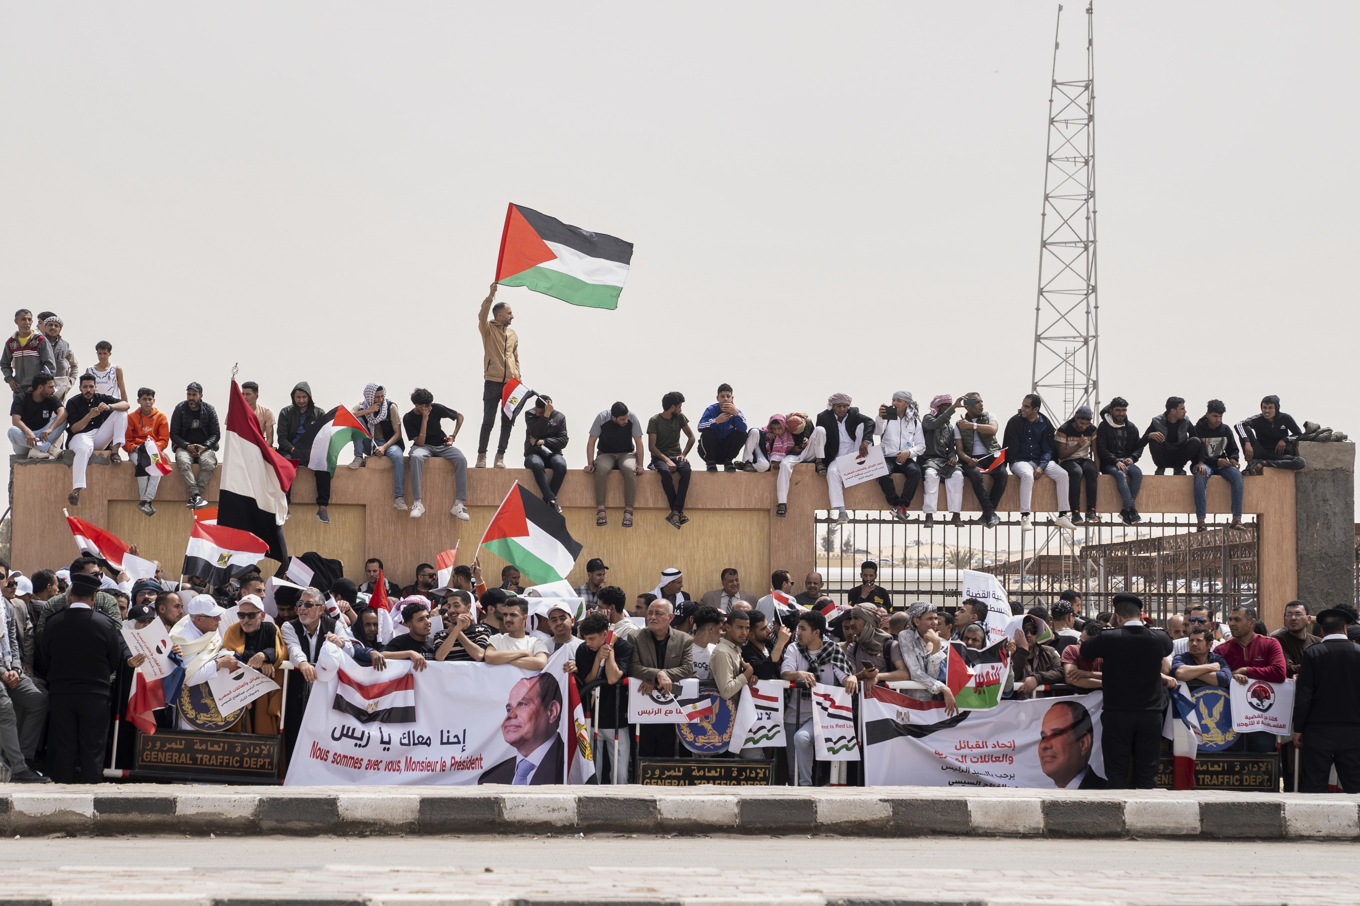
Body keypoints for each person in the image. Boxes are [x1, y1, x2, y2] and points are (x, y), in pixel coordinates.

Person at [1078, 593, 1173, 789]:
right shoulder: (1159, 637)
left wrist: (1108, 627)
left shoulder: (1108, 637)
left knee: (1117, 772)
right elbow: (1167, 648)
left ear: (1117, 616)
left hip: (1118, 714)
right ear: (1140, 615)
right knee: (1148, 773)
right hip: (1150, 715)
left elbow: (1085, 651)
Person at [37, 571, 121, 783]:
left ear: (70, 593)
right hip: (96, 694)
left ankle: (61, 796)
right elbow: (115, 658)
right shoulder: (106, 624)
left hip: (61, 693)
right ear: (94, 597)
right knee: (93, 747)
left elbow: (44, 655)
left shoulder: (53, 622)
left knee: (63, 746)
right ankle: (90, 789)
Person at [780, 610, 857, 786]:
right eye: (798, 628)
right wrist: (798, 673)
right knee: (794, 771)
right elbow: (785, 673)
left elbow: (843, 675)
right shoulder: (793, 648)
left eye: (802, 629)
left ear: (816, 632)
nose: (797, 633)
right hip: (793, 715)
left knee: (802, 739)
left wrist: (851, 678)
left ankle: (806, 789)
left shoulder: (833, 650)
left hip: (823, 716)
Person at [1292, 608, 1360, 793]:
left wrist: (1298, 728)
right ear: (1345, 628)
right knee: (1354, 784)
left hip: (1318, 731)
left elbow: (1304, 695)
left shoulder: (1313, 654)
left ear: (1322, 631)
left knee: (1315, 783)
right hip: (1354, 730)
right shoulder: (1358, 652)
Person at [1214, 604, 1286, 754]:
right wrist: (1232, 675)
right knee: (1232, 764)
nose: (1232, 624)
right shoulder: (1220, 650)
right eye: (1230, 619)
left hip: (1261, 719)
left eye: (1237, 620)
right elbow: (1216, 678)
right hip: (1230, 719)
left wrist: (1246, 671)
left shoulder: (1270, 644)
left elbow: (1279, 673)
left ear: (1252, 623)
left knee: (1262, 762)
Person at [629, 597, 696, 757]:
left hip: (672, 711)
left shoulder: (684, 639)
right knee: (644, 755)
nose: (652, 617)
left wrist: (659, 676)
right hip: (644, 709)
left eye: (658, 614)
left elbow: (687, 669)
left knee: (667, 755)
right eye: (650, 613)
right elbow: (633, 667)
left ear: (670, 617)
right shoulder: (635, 637)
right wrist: (658, 674)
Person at [574, 611, 633, 783]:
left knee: (620, 775)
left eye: (592, 638)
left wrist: (609, 651)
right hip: (591, 720)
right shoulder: (583, 649)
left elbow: (614, 677)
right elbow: (587, 681)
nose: (588, 642)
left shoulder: (624, 647)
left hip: (617, 720)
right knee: (594, 774)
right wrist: (597, 659)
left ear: (605, 634)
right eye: (585, 638)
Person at [1003, 393, 1075, 532]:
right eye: (1022, 405)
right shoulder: (1015, 421)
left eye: (1026, 406)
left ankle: (1063, 515)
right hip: (1020, 461)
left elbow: (1048, 449)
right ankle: (1025, 516)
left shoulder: (1045, 423)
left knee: (1063, 475)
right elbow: (1008, 446)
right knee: (1027, 475)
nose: (1022, 409)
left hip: (1041, 461)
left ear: (1035, 409)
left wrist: (1041, 467)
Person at [0, 576, 48, 782]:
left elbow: (12, 641)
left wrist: (17, 669)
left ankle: (21, 758)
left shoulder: (7, 607)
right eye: (4, 579)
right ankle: (18, 768)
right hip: (2, 671)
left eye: (12, 581)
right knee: (6, 710)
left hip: (10, 669)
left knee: (38, 700)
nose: (12, 585)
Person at [478, 674, 563, 785]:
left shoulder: (570, 768)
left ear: (551, 711)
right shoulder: (490, 779)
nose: (511, 715)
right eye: (509, 709)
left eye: (522, 704)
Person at [62, 373, 131, 506]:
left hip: (99, 436)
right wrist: (89, 416)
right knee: (84, 449)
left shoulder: (101, 398)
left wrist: (109, 407)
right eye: (85, 387)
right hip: (80, 436)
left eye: (91, 387)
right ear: (80, 388)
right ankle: (76, 490)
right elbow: (75, 428)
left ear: (95, 387)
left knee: (121, 412)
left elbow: (126, 405)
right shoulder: (73, 402)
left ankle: (115, 450)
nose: (88, 390)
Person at [221, 594, 285, 734]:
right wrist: (262, 662)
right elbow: (232, 655)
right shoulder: (233, 630)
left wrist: (264, 656)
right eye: (241, 615)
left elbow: (279, 651)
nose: (245, 620)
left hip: (264, 693)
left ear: (262, 615)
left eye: (251, 615)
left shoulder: (270, 629)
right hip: (238, 690)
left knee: (263, 728)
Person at [403, 388, 470, 521]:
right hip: (423, 447)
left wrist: (453, 436)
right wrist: (424, 419)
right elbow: (421, 443)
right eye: (426, 406)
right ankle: (418, 503)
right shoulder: (408, 418)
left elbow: (459, 416)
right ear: (417, 406)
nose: (430, 408)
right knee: (416, 457)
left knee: (461, 458)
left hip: (441, 445)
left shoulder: (436, 408)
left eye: (430, 404)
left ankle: (458, 504)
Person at [275, 382, 333, 525]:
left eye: (304, 397)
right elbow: (281, 439)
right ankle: (285, 506)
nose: (301, 400)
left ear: (309, 397)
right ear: (293, 398)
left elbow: (323, 436)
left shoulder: (319, 413)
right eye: (298, 397)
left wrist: (311, 451)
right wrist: (293, 449)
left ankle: (322, 508)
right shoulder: (285, 413)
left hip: (311, 451)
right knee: (284, 465)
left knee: (324, 466)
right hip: (291, 450)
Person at [475, 283, 520, 470]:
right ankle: (481, 456)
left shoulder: (513, 334)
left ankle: (500, 456)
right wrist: (491, 295)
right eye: (509, 313)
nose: (512, 316)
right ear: (500, 315)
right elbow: (482, 315)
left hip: (511, 384)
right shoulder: (488, 329)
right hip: (492, 382)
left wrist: (518, 378)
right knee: (488, 421)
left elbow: (516, 358)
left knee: (508, 422)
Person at [813, 393, 875, 525]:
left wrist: (865, 441)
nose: (842, 409)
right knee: (832, 472)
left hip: (856, 450)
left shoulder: (854, 413)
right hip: (837, 455)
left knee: (863, 425)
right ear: (832, 406)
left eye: (845, 406)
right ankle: (842, 511)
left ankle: (867, 453)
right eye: (839, 406)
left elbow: (870, 422)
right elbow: (820, 439)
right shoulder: (823, 417)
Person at [585, 402, 645, 528]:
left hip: (626, 453)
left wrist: (641, 465)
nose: (626, 421)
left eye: (627, 418)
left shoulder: (632, 418)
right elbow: (591, 441)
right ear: (613, 418)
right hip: (606, 454)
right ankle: (601, 509)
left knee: (629, 469)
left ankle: (628, 510)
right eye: (622, 419)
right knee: (601, 470)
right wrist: (590, 463)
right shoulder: (602, 418)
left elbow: (639, 442)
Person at [745, 413, 816, 518]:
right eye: (774, 429)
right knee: (755, 432)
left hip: (766, 461)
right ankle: (747, 462)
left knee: (763, 467)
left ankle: (746, 466)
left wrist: (792, 450)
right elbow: (752, 431)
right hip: (760, 452)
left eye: (779, 428)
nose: (777, 431)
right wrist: (765, 435)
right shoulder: (766, 431)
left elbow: (786, 450)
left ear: (783, 426)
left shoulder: (789, 436)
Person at [349, 383, 407, 508]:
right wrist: (368, 411)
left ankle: (399, 497)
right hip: (370, 443)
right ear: (369, 397)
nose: (380, 400)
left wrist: (384, 447)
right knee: (356, 420)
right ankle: (358, 457)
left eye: (382, 396)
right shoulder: (361, 407)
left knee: (398, 456)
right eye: (377, 397)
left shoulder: (390, 407)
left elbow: (398, 434)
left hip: (389, 443)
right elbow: (348, 417)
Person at [953, 393, 1006, 528]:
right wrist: (968, 459)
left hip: (991, 456)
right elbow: (959, 450)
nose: (981, 404)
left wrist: (972, 426)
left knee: (1002, 474)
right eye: (977, 402)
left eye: (981, 401)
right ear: (968, 406)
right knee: (975, 475)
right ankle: (990, 513)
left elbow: (993, 429)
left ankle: (988, 513)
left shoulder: (989, 416)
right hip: (972, 459)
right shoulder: (959, 425)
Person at [1193, 399, 1245, 532]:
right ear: (1207, 414)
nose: (1218, 420)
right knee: (1200, 475)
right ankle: (1201, 521)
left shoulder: (1226, 430)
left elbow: (1233, 449)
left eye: (1220, 416)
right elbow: (1195, 455)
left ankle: (1237, 519)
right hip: (1204, 464)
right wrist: (1215, 461)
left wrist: (1233, 459)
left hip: (1223, 465)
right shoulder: (1197, 430)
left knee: (1237, 476)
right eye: (1215, 416)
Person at [647, 391, 695, 530]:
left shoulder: (680, 418)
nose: (681, 410)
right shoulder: (654, 420)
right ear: (672, 407)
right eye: (679, 407)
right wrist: (666, 460)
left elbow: (691, 438)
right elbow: (652, 447)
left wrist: (684, 454)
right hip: (660, 456)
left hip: (676, 455)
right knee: (665, 472)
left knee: (686, 470)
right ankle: (678, 512)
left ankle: (675, 512)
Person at [895, 602, 956, 708]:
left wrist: (936, 645)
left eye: (936, 618)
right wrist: (943, 688)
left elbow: (933, 675)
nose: (935, 623)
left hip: (935, 705)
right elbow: (915, 673)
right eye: (929, 619)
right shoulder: (906, 636)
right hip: (911, 703)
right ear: (916, 621)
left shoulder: (943, 643)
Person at [169, 382, 220, 510]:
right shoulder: (180, 409)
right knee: (183, 462)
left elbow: (216, 434)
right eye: (189, 394)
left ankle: (195, 496)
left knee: (208, 464)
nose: (191, 397)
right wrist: (187, 446)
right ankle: (197, 495)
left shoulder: (209, 410)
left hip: (205, 447)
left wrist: (205, 446)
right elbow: (174, 434)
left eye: (194, 395)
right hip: (184, 447)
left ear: (201, 395)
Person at [875, 391, 925, 520]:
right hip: (887, 457)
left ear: (907, 403)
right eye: (893, 400)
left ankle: (903, 504)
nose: (894, 403)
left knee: (915, 471)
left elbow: (921, 446)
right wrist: (880, 417)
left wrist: (909, 453)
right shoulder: (886, 417)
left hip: (905, 457)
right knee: (881, 471)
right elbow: (877, 431)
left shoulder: (914, 422)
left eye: (898, 400)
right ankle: (897, 504)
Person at [1095, 397, 1145, 525]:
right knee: (1120, 474)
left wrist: (1132, 458)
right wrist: (1116, 462)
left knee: (1138, 474)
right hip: (1109, 463)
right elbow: (1101, 449)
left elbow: (1138, 447)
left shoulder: (1131, 428)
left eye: (1124, 410)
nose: (1121, 413)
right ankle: (1132, 509)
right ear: (1111, 411)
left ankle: (1125, 511)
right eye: (1118, 410)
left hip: (1126, 462)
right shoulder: (1103, 427)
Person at [123, 387, 169, 516]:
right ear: (138, 400)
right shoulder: (131, 418)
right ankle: (146, 501)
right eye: (144, 399)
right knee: (141, 464)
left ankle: (146, 500)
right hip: (137, 450)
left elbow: (164, 440)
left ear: (154, 401)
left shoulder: (161, 417)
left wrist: (153, 448)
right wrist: (135, 448)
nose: (147, 402)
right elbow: (125, 441)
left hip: (154, 450)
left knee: (157, 466)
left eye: (150, 399)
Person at [1039, 701, 1104, 789]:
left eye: (1056, 735)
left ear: (1083, 743)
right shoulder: (1041, 794)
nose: (1044, 745)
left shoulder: (1104, 793)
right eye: (1043, 737)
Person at [1238, 395, 1306, 474]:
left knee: (1300, 462)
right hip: (1260, 452)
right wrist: (1247, 442)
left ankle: (1264, 463)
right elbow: (1239, 424)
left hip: (1278, 455)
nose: (1267, 411)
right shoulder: (1257, 419)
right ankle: (1250, 464)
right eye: (1264, 407)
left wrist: (1285, 439)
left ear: (1276, 409)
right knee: (1244, 428)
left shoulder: (1285, 418)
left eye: (1270, 408)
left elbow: (1299, 435)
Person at [523, 395, 568, 512]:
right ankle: (551, 501)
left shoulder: (560, 417)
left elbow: (563, 441)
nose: (538, 414)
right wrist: (545, 416)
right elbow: (535, 432)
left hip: (553, 454)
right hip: (534, 454)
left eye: (541, 412)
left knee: (561, 465)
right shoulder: (529, 414)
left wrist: (542, 442)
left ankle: (548, 501)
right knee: (536, 464)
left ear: (550, 408)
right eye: (537, 411)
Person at [1055, 405, 1099, 524]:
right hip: (1068, 460)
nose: (1084, 427)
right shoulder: (1064, 430)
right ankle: (1075, 512)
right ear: (1075, 418)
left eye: (1086, 424)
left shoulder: (1092, 429)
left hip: (1084, 459)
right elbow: (1061, 455)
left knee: (1091, 471)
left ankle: (1091, 510)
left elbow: (1095, 451)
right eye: (1081, 423)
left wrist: (1097, 470)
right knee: (1076, 472)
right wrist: (1078, 446)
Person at [843, 605, 907, 686]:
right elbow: (852, 676)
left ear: (868, 620)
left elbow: (904, 673)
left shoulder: (890, 646)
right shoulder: (853, 648)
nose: (852, 623)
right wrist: (863, 675)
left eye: (856, 618)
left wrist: (877, 676)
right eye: (852, 618)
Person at [8, 372, 65, 459]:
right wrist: (28, 432)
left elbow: (62, 411)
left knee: (64, 418)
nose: (53, 390)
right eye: (50, 387)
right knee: (12, 431)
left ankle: (38, 449)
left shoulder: (51, 398)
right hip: (25, 441)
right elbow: (16, 420)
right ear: (40, 387)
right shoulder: (22, 398)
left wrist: (50, 429)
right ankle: (47, 448)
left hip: (43, 436)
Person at [484, 598, 551, 670]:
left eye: (513, 615)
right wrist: (523, 653)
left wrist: (502, 659)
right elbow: (489, 657)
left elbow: (540, 663)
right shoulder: (497, 639)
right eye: (505, 615)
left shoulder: (535, 642)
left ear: (524, 618)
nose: (507, 619)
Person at [1143, 397, 1202, 476]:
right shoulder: (1157, 421)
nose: (1185, 411)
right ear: (1173, 411)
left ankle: (1178, 468)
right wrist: (1149, 436)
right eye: (1182, 409)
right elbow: (1141, 442)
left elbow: (1197, 443)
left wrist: (1200, 462)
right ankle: (1160, 468)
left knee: (1195, 440)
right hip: (1164, 455)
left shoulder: (1186, 421)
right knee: (1153, 439)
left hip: (1179, 456)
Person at [696, 383, 749, 472]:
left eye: (728, 396)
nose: (725, 399)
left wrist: (735, 413)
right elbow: (700, 426)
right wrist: (716, 421)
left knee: (742, 433)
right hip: (710, 451)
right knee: (707, 431)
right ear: (718, 398)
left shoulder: (737, 412)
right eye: (722, 396)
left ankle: (728, 462)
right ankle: (710, 462)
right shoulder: (711, 409)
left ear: (732, 398)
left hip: (725, 451)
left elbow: (744, 428)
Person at [2, 309, 54, 396]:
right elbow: (4, 363)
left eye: (29, 319)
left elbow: (50, 365)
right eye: (23, 319)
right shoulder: (11, 342)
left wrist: (40, 384)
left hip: (37, 391)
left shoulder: (40, 340)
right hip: (19, 390)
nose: (27, 322)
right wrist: (10, 379)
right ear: (16, 321)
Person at [1272, 600, 1317, 678]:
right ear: (1285, 620)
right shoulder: (1277, 640)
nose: (1293, 618)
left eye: (1298, 614)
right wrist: (1314, 666)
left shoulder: (1317, 642)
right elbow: (1287, 668)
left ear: (1308, 619)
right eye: (1289, 615)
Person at [744, 609, 791, 681]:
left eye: (767, 626)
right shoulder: (746, 652)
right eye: (763, 629)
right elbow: (764, 672)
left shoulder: (769, 646)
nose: (769, 630)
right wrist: (780, 642)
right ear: (751, 634)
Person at [39, 315, 77, 401]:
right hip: (41, 387)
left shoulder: (65, 345)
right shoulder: (38, 343)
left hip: (60, 388)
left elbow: (74, 365)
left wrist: (70, 382)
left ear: (60, 329)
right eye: (50, 325)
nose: (53, 327)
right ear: (45, 327)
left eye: (56, 326)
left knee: (58, 413)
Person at [1062, 621, 1105, 690]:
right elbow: (1071, 678)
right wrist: (1104, 683)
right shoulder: (1071, 650)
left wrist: (1086, 674)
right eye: (1081, 642)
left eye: (1088, 645)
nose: (1083, 648)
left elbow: (1114, 677)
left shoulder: (1107, 653)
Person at [240, 381, 275, 447]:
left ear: (256, 396)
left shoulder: (266, 412)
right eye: (243, 394)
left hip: (260, 447)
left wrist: (262, 451)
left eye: (248, 394)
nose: (244, 397)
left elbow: (270, 439)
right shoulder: (235, 412)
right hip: (240, 447)